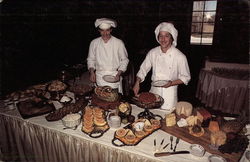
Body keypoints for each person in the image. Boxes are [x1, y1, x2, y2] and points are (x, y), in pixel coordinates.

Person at [133, 22, 191, 113]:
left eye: (166, 36)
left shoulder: (180, 56)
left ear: (172, 38)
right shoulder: (153, 52)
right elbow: (143, 69)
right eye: (161, 36)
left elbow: (186, 77)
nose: (163, 39)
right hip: (153, 94)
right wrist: (137, 82)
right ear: (157, 38)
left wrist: (171, 83)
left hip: (170, 95)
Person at [87, 18, 129, 93]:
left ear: (111, 30)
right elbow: (90, 59)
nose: (105, 33)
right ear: (99, 30)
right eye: (102, 30)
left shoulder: (118, 43)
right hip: (99, 77)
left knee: (114, 100)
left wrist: (119, 73)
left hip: (114, 76)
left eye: (107, 30)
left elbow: (125, 60)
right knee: (100, 100)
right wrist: (92, 72)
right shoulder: (94, 43)